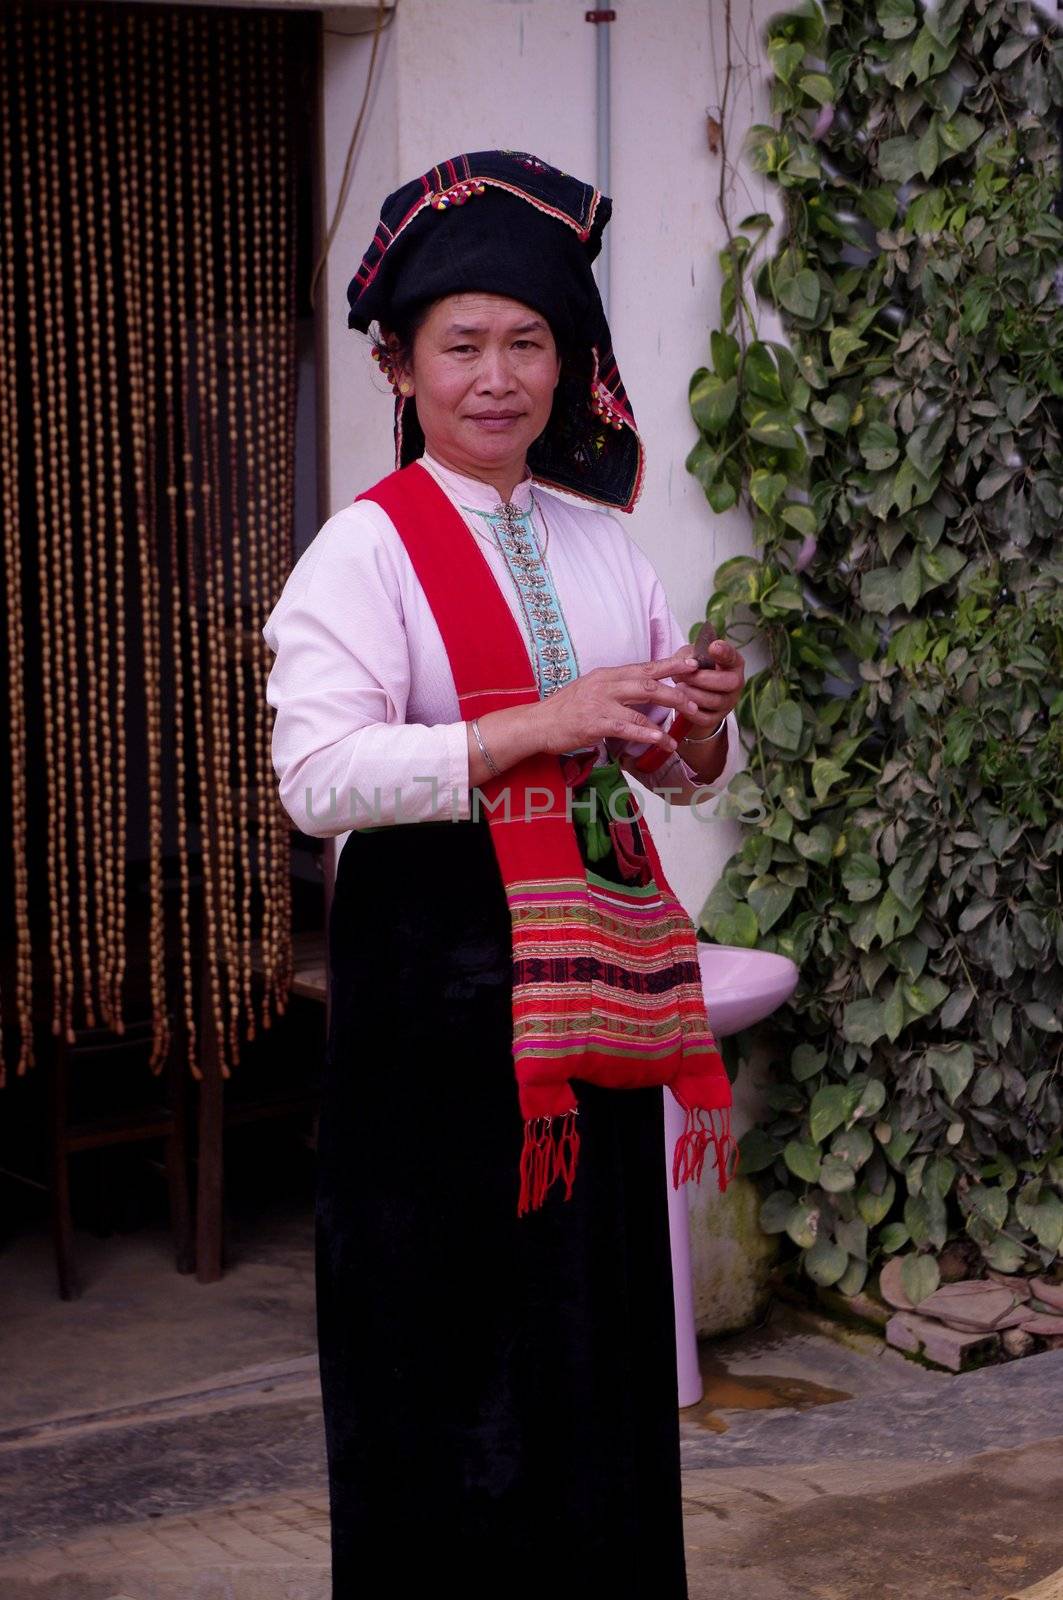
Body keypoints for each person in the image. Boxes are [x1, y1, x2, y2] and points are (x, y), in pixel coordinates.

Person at [262, 150, 746, 1600]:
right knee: (443, 1355)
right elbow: (317, 778)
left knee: (590, 1345)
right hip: (433, 1000)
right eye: (460, 344)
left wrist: (696, 742)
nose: (496, 376)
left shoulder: (608, 545)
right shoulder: (362, 554)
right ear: (397, 364)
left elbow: (661, 770)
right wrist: (540, 723)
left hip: (590, 994)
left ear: (569, 364)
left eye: (527, 343)